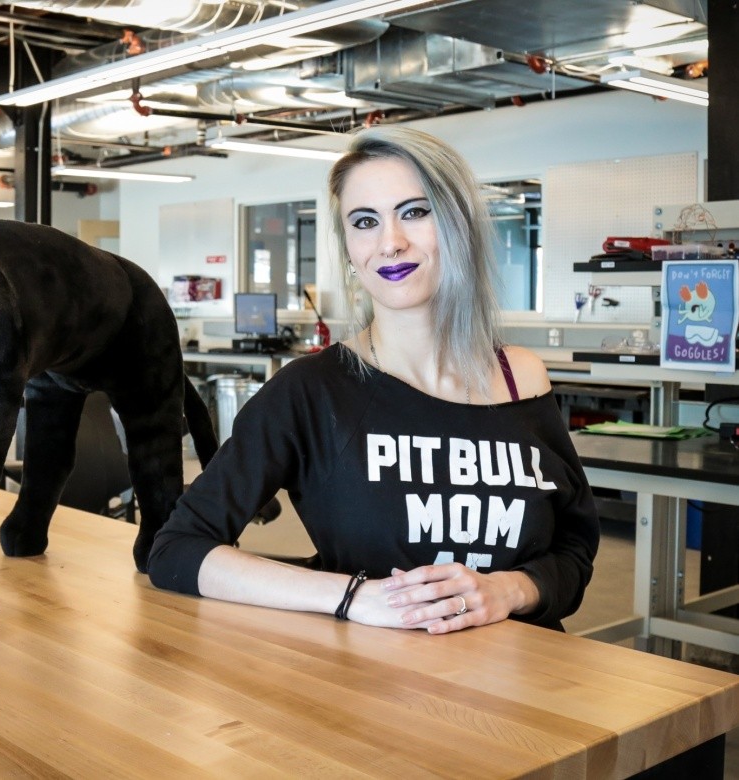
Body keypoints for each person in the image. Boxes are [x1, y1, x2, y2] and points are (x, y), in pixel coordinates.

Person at [147, 125, 598, 633]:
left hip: (530, 683)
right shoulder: (312, 391)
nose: (391, 242)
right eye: (365, 221)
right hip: (374, 693)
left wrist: (509, 590)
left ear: (459, 225)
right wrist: (354, 597)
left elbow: (573, 549)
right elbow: (177, 551)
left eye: (415, 212)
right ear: (348, 250)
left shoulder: (522, 377)